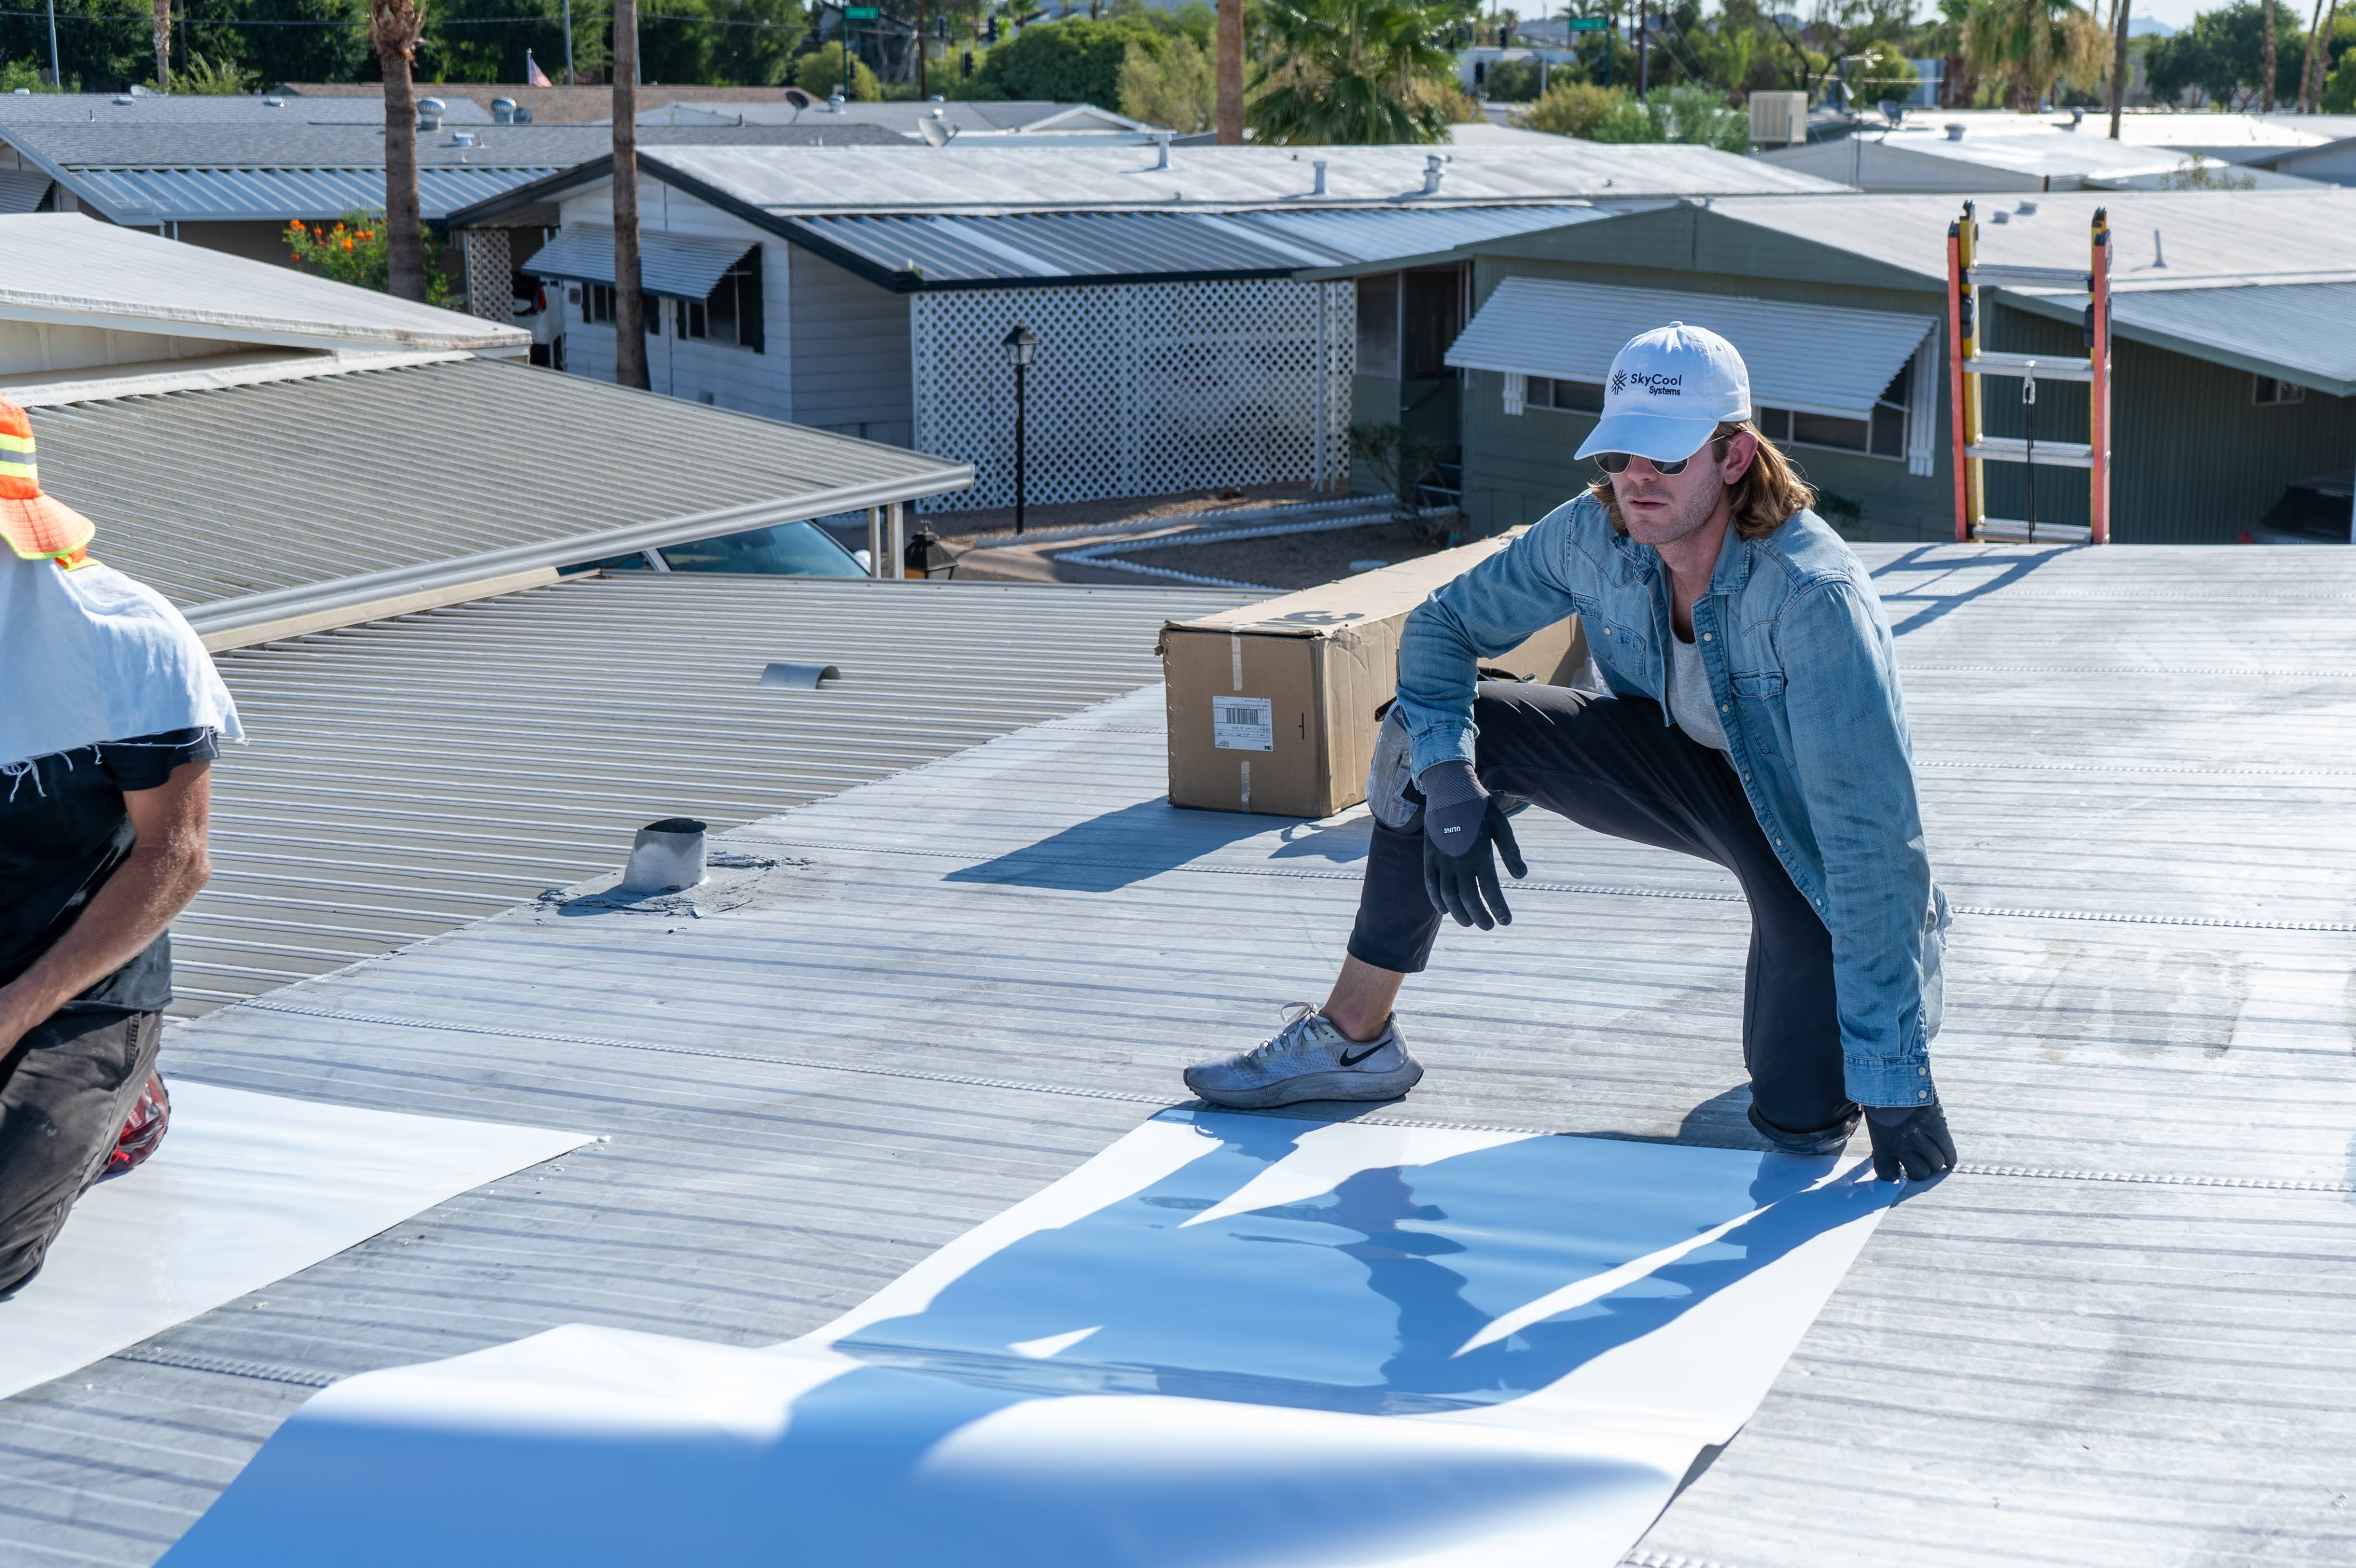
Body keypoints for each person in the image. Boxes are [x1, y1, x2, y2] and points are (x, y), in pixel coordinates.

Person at [1184, 324, 1957, 1184]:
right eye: (1622, 452)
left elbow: (1872, 845)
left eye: (1665, 458)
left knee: (1798, 1122)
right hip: (1670, 763)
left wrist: (1896, 1084)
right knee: (1426, 731)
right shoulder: (1596, 532)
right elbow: (1442, 626)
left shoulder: (1813, 598)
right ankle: (1354, 1041)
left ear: (1734, 457)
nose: (1636, 479)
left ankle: (1850, 1043)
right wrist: (1448, 784)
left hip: (1803, 827)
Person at [0, 397, 241, 1293]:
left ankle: (124, 1102)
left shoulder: (126, 639)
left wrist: (17, 1007)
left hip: (73, 984)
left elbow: (174, 859)